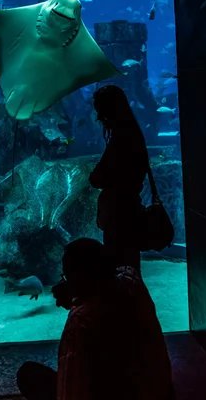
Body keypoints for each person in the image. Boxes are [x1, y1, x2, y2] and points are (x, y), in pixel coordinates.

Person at [17, 238, 175, 400]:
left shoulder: (81, 321)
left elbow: (71, 392)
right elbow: (111, 280)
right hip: (158, 391)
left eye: (66, 276)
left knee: (29, 375)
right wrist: (77, 292)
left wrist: (77, 300)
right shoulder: (132, 280)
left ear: (78, 278)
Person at [89, 85, 149, 272]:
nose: (99, 117)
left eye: (101, 110)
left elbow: (97, 178)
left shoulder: (121, 138)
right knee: (129, 267)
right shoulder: (133, 132)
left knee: (120, 268)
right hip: (129, 210)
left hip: (119, 215)